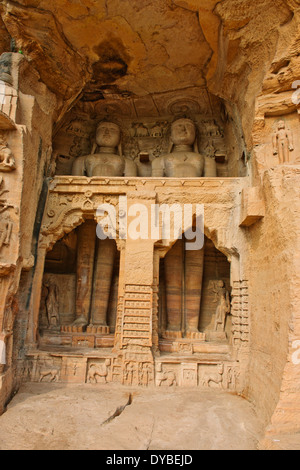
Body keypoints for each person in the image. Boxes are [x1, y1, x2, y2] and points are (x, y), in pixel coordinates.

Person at [152, 117, 216, 177]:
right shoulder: (159, 161)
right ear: (170, 138)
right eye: (179, 126)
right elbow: (153, 185)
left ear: (196, 137)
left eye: (188, 126)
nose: (183, 129)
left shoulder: (208, 161)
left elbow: (213, 184)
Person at [72, 121, 137, 177]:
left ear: (120, 138)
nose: (107, 132)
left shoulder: (128, 163)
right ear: (94, 136)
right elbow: (74, 186)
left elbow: (132, 188)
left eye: (112, 129)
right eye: (102, 128)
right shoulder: (81, 161)